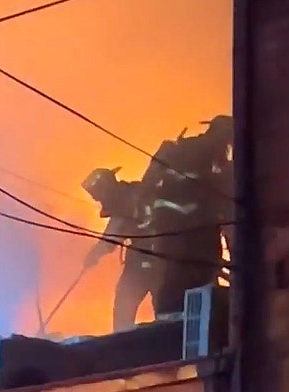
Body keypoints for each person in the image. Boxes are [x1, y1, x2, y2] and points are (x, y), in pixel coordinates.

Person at [148, 115, 234, 316]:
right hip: (192, 225)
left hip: (168, 226)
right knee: (199, 272)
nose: (229, 146)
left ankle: (170, 317)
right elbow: (218, 196)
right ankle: (188, 317)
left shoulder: (185, 149)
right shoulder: (211, 156)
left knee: (175, 274)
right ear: (222, 135)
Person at [79, 166, 163, 332]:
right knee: (165, 310)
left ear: (105, 190)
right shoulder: (139, 191)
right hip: (165, 259)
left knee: (124, 307)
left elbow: (111, 239)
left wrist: (94, 255)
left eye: (98, 197)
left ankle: (122, 341)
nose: (99, 201)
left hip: (142, 263)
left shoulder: (122, 204)